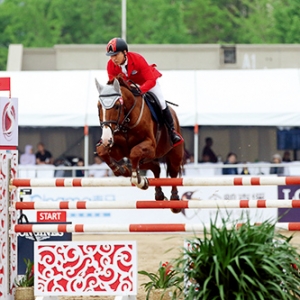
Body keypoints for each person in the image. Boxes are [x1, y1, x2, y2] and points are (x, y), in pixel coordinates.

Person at [105, 37, 183, 147]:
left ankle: (172, 132)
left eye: (116, 55)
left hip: (148, 83)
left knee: (161, 102)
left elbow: (150, 80)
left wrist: (141, 90)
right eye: (111, 56)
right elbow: (115, 86)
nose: (113, 59)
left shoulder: (137, 59)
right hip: (130, 86)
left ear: (125, 52)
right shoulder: (110, 66)